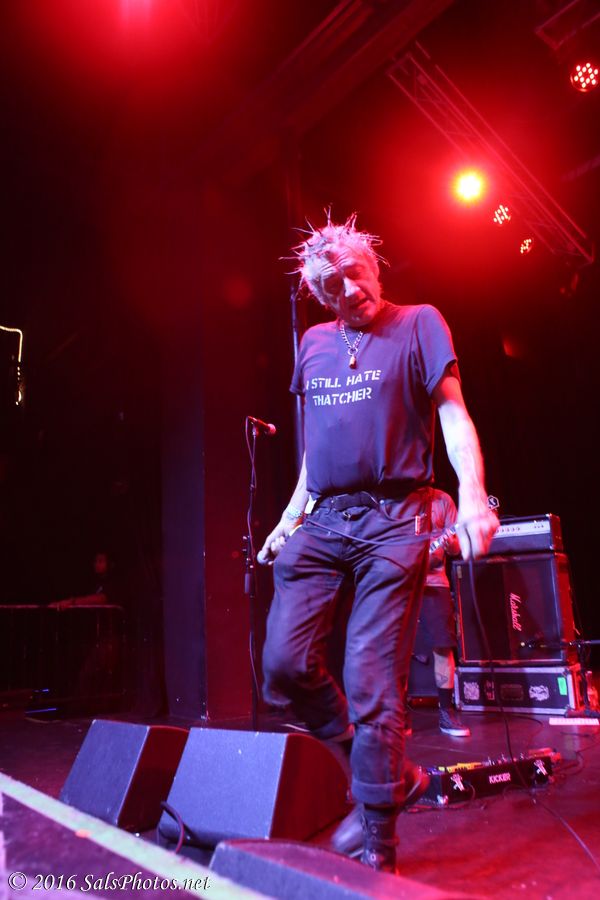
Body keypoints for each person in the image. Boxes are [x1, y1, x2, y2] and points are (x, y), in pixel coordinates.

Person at [257, 214, 498, 874]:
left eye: (355, 274)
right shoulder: (314, 343)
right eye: (331, 285)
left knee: (371, 680)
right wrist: (288, 519)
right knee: (283, 665)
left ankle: (377, 841)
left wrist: (473, 495)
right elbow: (317, 447)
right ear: (319, 294)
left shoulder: (418, 323)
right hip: (326, 519)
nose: (349, 289)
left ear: (374, 266)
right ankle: (388, 776)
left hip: (397, 518)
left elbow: (452, 412)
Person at [411, 488, 470, 737]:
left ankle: (446, 712)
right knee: (394, 648)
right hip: (400, 582)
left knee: (443, 646)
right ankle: (397, 714)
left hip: (435, 583)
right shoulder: (397, 497)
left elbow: (456, 548)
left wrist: (450, 543)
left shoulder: (443, 500)